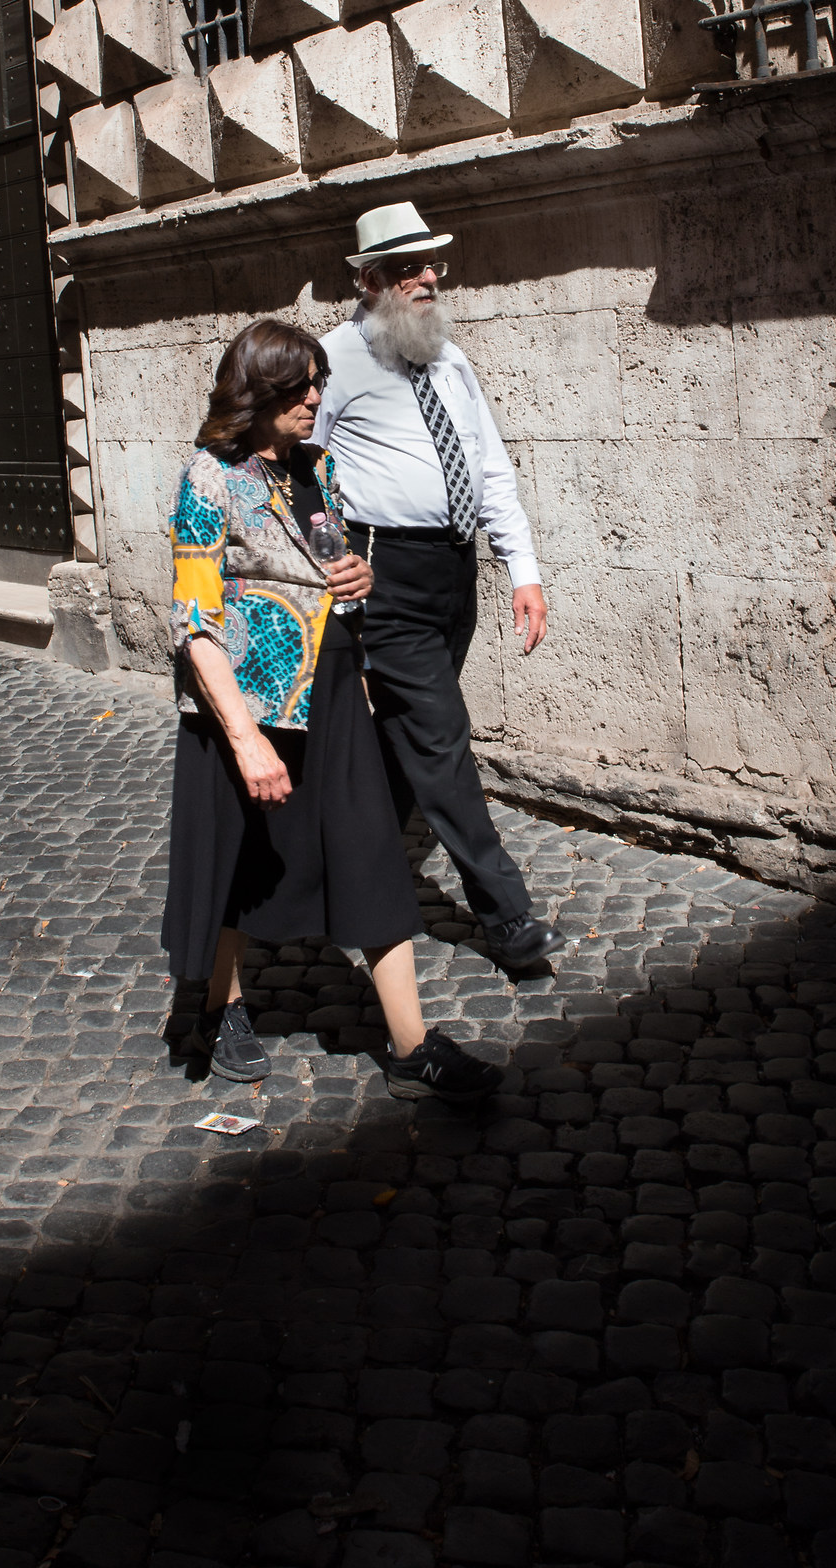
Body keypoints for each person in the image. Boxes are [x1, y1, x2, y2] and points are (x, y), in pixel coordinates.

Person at [161, 315, 503, 1104]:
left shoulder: (320, 467)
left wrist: (358, 578)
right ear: (257, 390)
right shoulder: (208, 477)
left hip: (337, 692)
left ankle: (412, 1048)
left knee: (371, 849)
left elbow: (333, 563)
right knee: (240, 859)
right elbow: (195, 622)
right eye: (300, 387)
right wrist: (245, 741)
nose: (317, 398)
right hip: (247, 707)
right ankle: (221, 1006)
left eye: (319, 384)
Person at [314, 203, 564, 974]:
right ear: (369, 281)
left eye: (431, 265)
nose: (428, 278)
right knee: (442, 740)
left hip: (456, 573)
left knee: (407, 743)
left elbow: (489, 465)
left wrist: (522, 569)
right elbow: (297, 473)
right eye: (409, 269)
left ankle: (342, 876)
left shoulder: (448, 358)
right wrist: (331, 558)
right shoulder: (332, 361)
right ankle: (509, 917)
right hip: (384, 576)